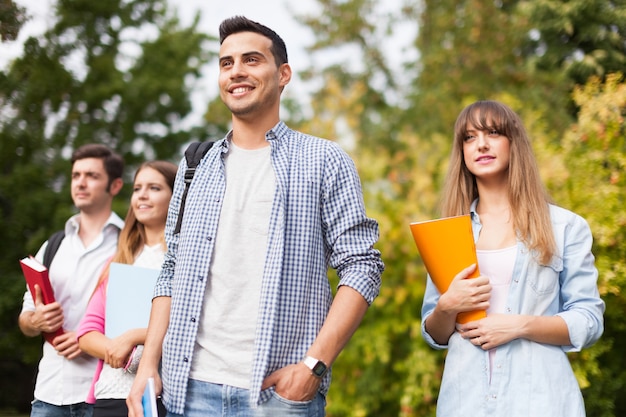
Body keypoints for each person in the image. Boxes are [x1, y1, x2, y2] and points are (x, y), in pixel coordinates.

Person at [127, 15, 384, 417]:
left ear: (283, 74)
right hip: (186, 391)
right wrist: (147, 366)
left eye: (251, 60)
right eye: (226, 63)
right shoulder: (195, 165)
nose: (236, 72)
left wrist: (314, 365)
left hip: (278, 396)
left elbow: (362, 265)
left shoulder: (323, 160)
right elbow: (173, 268)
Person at [420, 100, 605, 416]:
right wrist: (447, 306)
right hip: (465, 402)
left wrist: (519, 325)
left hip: (541, 401)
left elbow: (589, 320)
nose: (481, 144)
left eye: (493, 132)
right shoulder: (448, 233)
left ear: (513, 143)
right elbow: (435, 334)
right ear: (462, 153)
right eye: (469, 137)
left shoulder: (564, 227)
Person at [19, 144, 125, 417]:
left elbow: (139, 322)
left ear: (115, 186)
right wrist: (36, 321)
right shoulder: (53, 245)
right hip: (48, 394)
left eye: (91, 176)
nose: (81, 182)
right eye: (76, 175)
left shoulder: (129, 246)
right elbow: (26, 318)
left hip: (102, 396)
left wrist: (90, 342)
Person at [76, 160, 177, 417]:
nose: (142, 195)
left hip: (164, 394)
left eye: (154, 188)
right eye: (137, 188)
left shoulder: (187, 261)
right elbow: (87, 332)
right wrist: (120, 350)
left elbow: (196, 328)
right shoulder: (119, 260)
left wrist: (133, 336)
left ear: (177, 197)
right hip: (111, 394)